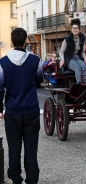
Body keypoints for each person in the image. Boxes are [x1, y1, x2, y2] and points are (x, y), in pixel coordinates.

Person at [0, 27, 43, 184]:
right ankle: (32, 179)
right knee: (31, 147)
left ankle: (15, 178)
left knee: (14, 147)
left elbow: (0, 88)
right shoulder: (36, 60)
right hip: (31, 109)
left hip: (12, 111)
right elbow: (39, 80)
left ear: (12, 41)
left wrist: (0, 108)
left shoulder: (2, 63)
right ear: (26, 41)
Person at [59, 18, 86, 83]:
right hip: (68, 58)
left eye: (76, 28)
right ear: (71, 29)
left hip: (77, 57)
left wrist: (85, 58)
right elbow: (61, 52)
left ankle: (85, 84)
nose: (74, 30)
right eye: (73, 28)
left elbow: (82, 51)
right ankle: (79, 84)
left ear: (79, 29)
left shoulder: (82, 37)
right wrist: (62, 60)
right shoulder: (67, 39)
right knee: (77, 68)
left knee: (85, 67)